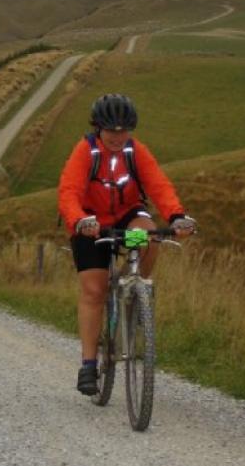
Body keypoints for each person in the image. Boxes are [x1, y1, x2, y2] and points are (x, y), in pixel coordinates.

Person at [58, 93, 196, 396]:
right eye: (111, 131)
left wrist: (177, 216)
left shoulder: (136, 152)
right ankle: (89, 364)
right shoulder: (85, 151)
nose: (118, 137)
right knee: (94, 290)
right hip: (90, 225)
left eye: (124, 131)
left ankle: (133, 287)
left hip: (127, 216)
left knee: (148, 236)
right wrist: (80, 220)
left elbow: (158, 184)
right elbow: (68, 191)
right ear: (98, 128)